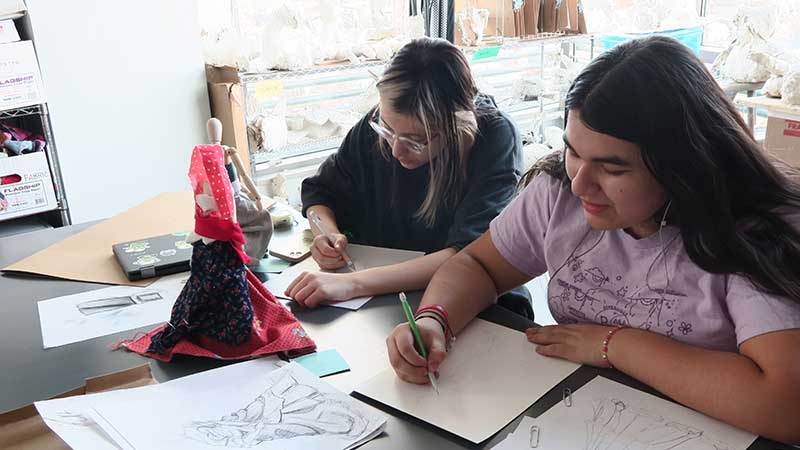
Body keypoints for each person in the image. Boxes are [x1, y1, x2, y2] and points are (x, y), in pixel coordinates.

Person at [386, 36, 800, 443]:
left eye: (613, 169)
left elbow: (785, 405)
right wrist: (434, 319)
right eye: (573, 151)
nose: (581, 184)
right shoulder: (559, 191)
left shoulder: (758, 229)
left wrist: (615, 345)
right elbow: (477, 265)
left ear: (684, 164)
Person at [286, 37, 532, 317]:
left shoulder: (493, 138)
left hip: (471, 299)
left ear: (458, 126)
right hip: (384, 297)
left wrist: (352, 283)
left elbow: (469, 255)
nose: (396, 149)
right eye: (388, 130)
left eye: (416, 140)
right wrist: (326, 235)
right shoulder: (380, 121)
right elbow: (321, 193)